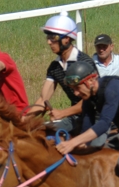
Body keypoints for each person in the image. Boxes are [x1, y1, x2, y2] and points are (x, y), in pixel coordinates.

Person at [26, 12, 105, 142]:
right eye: (47, 37)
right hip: (75, 117)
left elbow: (90, 100)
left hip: (95, 115)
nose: (48, 42)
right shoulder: (55, 67)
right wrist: (23, 119)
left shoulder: (84, 63)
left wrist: (62, 113)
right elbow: (43, 99)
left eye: (53, 37)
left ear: (66, 39)